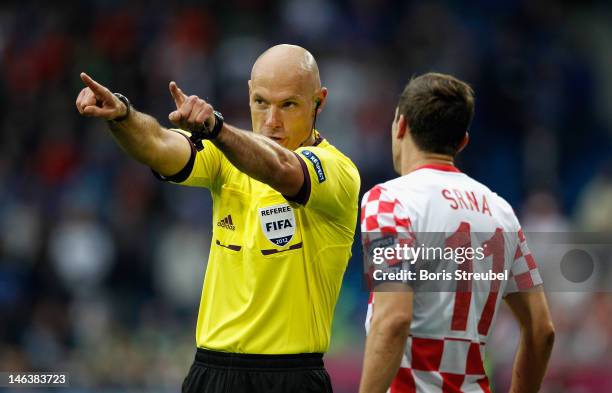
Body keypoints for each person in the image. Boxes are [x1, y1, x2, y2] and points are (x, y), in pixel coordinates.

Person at [75, 44, 360, 393]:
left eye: (288, 104)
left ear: (319, 100)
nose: (272, 121)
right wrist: (122, 115)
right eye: (261, 102)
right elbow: (159, 146)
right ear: (249, 94)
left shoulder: (337, 171)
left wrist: (216, 128)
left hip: (291, 376)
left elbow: (282, 168)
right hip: (211, 372)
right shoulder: (225, 157)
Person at [358, 73, 555, 393]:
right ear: (462, 141)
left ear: (401, 126)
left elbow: (393, 320)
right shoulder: (501, 212)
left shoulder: (389, 201)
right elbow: (542, 331)